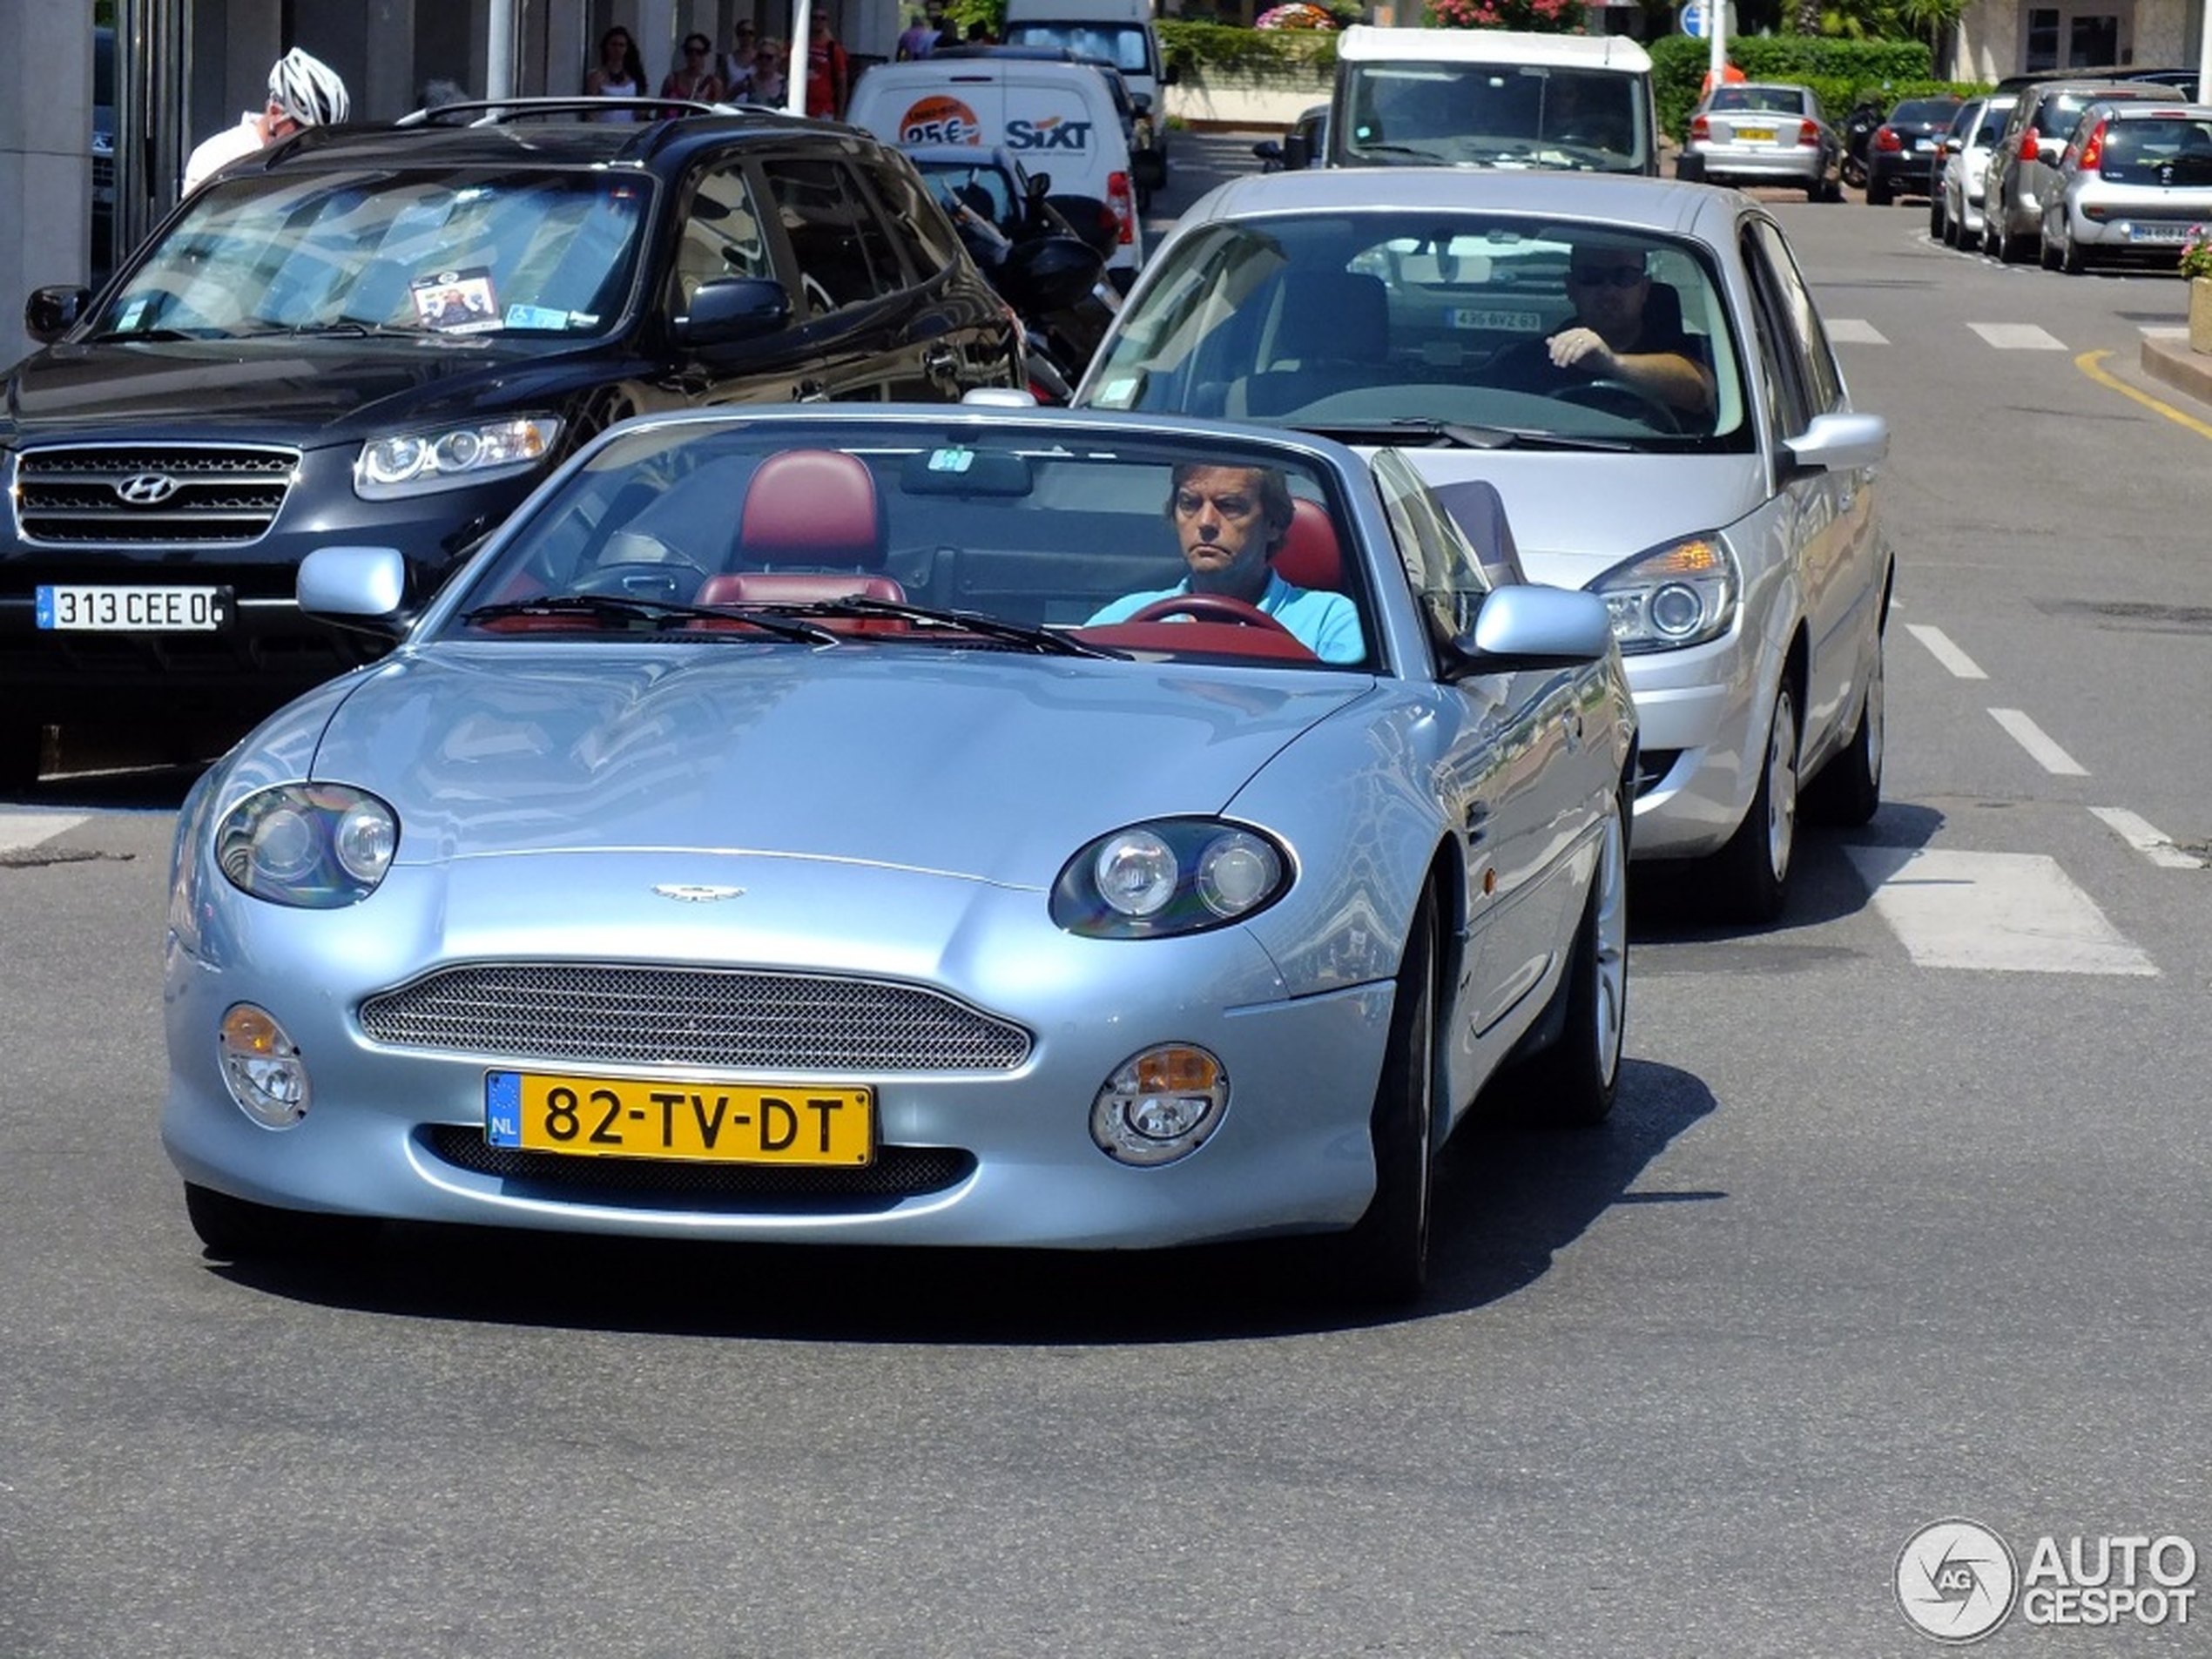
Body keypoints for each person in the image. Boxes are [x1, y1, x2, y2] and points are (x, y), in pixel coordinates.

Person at [1085, 463, 1364, 664]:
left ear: (1274, 524)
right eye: (1189, 504)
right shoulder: (1128, 616)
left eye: (1230, 506)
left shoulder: (1330, 622)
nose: (1205, 523)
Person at [1493, 242, 1715, 420]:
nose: (1608, 290)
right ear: (1571, 287)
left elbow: (1699, 391)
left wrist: (1613, 363)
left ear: (1645, 289)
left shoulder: (1689, 350)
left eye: (1624, 277)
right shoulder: (1528, 362)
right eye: (1591, 276)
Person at [181, 47, 351, 193]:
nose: (312, 146)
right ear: (276, 113)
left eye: (323, 138)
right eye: (305, 135)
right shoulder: (217, 158)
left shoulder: (320, 167)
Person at [584, 27, 647, 120]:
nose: (617, 49)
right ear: (606, 47)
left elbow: (641, 109)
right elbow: (590, 111)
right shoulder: (596, 77)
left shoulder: (634, 76)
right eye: (614, 44)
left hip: (628, 129)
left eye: (621, 45)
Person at [660, 33, 725, 109]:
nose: (694, 55)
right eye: (689, 51)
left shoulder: (713, 84)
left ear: (705, 54)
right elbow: (661, 110)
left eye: (699, 52)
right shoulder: (672, 80)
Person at [804, 14, 851, 120]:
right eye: (815, 18)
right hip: (801, 105)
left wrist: (840, 113)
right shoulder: (800, 45)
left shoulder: (833, 49)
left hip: (824, 109)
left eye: (823, 18)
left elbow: (842, 82)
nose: (819, 21)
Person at [746, 37, 790, 108]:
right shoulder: (748, 82)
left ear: (777, 59)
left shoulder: (785, 85)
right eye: (761, 56)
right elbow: (727, 99)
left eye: (769, 57)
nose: (764, 60)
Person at [721, 23, 760, 97]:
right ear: (737, 35)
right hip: (732, 104)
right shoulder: (728, 59)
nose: (747, 36)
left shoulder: (762, 58)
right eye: (743, 33)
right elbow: (722, 86)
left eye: (751, 33)